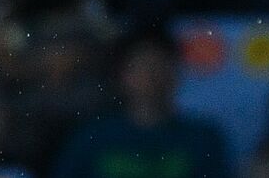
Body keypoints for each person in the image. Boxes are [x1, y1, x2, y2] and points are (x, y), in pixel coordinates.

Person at [50, 30, 231, 178]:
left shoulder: (203, 138)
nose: (152, 75)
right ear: (121, 75)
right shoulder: (91, 138)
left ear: (175, 73)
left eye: (161, 65)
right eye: (142, 65)